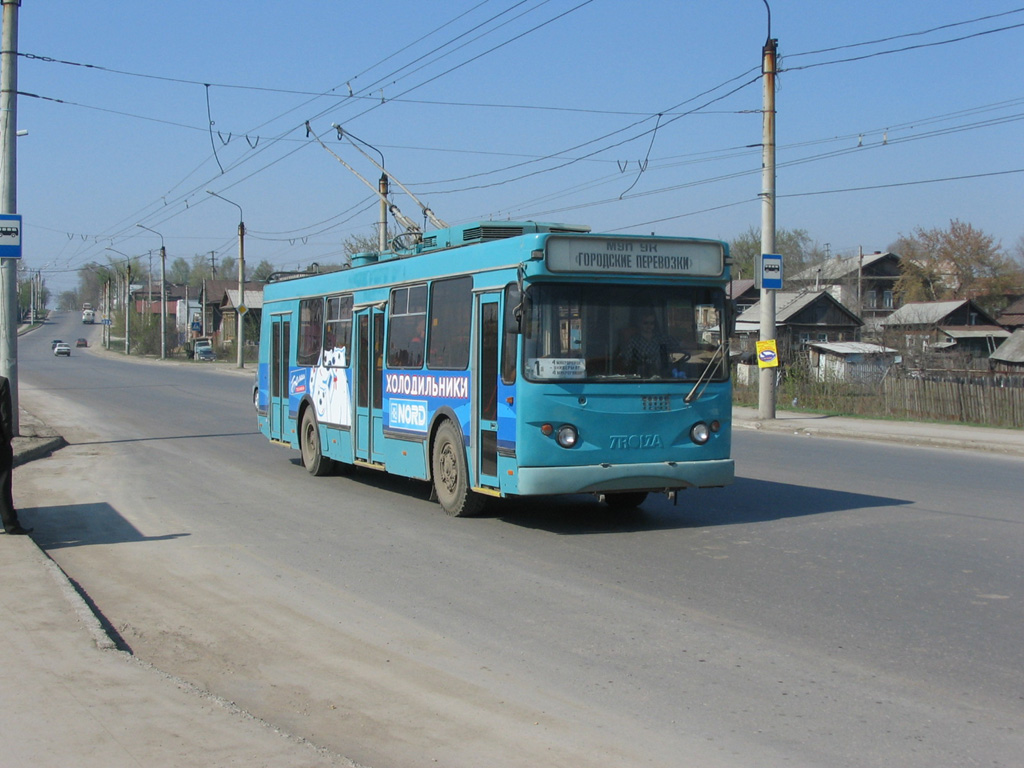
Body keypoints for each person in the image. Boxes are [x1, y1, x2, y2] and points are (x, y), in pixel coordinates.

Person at [0, 375, 31, 535]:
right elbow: (6, 417)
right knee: (3, 484)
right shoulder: (1, 382)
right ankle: (10, 524)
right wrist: (7, 438)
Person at [619, 313, 688, 377]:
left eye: (652, 323)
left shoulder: (662, 338)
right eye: (645, 323)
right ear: (639, 324)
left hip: (662, 376)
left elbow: (681, 343)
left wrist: (698, 346)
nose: (649, 326)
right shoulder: (633, 341)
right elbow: (626, 362)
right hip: (641, 377)